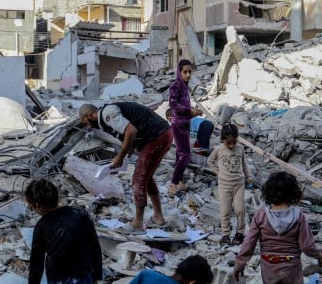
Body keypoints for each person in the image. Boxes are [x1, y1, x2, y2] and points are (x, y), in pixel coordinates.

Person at [233, 171, 322, 284]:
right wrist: (318, 256)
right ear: (294, 193)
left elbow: (249, 243)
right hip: (291, 264)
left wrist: (239, 264)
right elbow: (306, 246)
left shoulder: (260, 215)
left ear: (267, 193)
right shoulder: (299, 216)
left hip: (268, 264)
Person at [79, 102, 172, 232]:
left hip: (156, 137)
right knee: (147, 177)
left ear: (88, 115)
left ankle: (137, 224)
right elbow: (132, 129)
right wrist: (128, 150)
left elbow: (131, 130)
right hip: (161, 134)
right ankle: (158, 217)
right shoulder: (106, 117)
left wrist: (121, 156)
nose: (87, 126)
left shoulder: (107, 114)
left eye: (85, 122)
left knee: (138, 180)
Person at [207, 123, 253, 245]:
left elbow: (244, 164)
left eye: (234, 142)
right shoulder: (218, 149)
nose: (232, 145)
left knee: (240, 210)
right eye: (228, 143)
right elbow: (210, 161)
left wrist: (248, 177)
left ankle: (240, 233)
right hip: (224, 185)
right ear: (222, 139)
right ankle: (225, 234)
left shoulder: (240, 148)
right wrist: (218, 172)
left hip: (239, 184)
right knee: (225, 211)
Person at [168, 59, 203, 195]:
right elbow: (173, 105)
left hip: (186, 123)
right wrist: (190, 111)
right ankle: (173, 184)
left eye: (190, 72)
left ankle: (180, 182)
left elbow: (184, 106)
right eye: (185, 72)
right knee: (185, 155)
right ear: (179, 72)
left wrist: (193, 110)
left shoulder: (184, 86)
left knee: (179, 154)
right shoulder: (175, 86)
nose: (188, 75)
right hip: (178, 124)